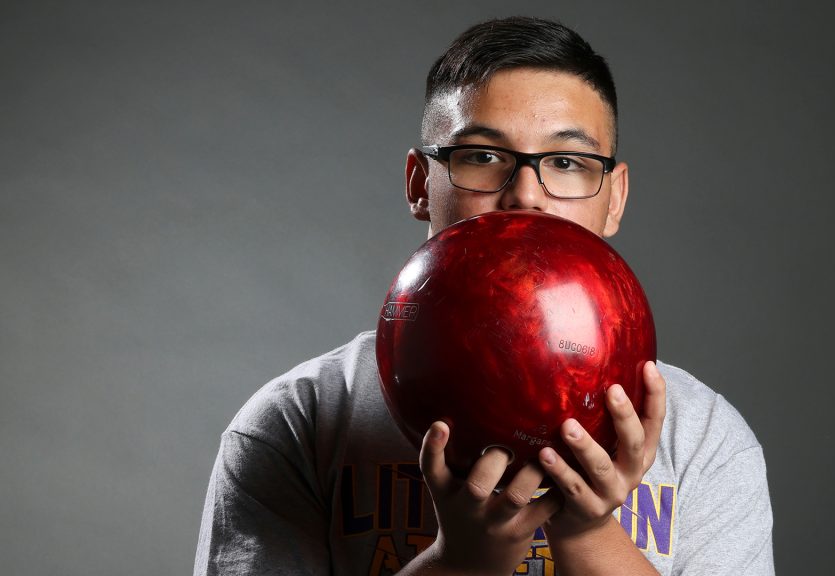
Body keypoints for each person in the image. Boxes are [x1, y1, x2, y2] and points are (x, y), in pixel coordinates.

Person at [194, 16, 774, 576]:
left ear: (614, 198)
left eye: (567, 162)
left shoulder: (701, 438)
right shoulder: (298, 424)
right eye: (483, 156)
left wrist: (587, 531)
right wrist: (462, 566)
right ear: (421, 185)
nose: (525, 196)